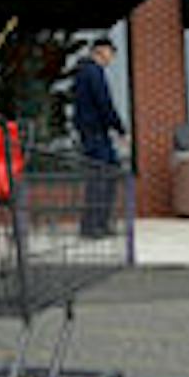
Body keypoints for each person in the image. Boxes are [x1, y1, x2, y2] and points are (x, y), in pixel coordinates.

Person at [73, 36, 125, 236]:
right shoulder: (93, 72)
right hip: (95, 135)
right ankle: (94, 226)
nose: (110, 60)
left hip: (93, 134)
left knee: (105, 177)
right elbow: (104, 103)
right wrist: (120, 129)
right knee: (100, 180)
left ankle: (98, 224)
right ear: (101, 51)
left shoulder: (83, 72)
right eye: (110, 55)